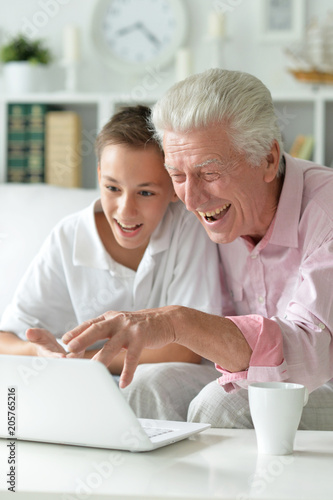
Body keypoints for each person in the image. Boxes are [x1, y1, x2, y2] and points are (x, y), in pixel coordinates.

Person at [62, 69, 333, 430]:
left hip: (322, 380)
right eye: (176, 175)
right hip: (252, 376)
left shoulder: (325, 211)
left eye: (209, 173)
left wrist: (178, 322)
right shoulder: (207, 209)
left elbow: (307, 355)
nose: (190, 199)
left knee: (223, 404)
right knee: (147, 384)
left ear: (268, 159)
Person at [0, 105, 223, 420]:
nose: (125, 210)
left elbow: (183, 350)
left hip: (170, 386)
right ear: (99, 177)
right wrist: (40, 353)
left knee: (144, 384)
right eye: (113, 188)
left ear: (174, 187)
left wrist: (85, 359)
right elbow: (6, 338)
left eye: (145, 192)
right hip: (90, 390)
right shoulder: (69, 235)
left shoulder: (189, 228)